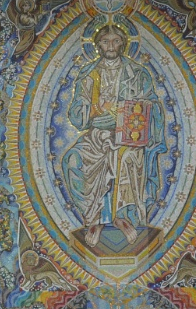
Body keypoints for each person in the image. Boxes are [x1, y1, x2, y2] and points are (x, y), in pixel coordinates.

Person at [63, 24, 166, 247]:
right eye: (105, 41)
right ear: (98, 45)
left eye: (116, 41)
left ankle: (121, 217)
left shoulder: (137, 73)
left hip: (127, 135)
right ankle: (95, 219)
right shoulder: (89, 74)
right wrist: (94, 108)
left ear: (123, 43)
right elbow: (77, 114)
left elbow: (153, 105)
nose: (111, 46)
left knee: (126, 157)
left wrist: (129, 110)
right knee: (72, 160)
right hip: (96, 135)